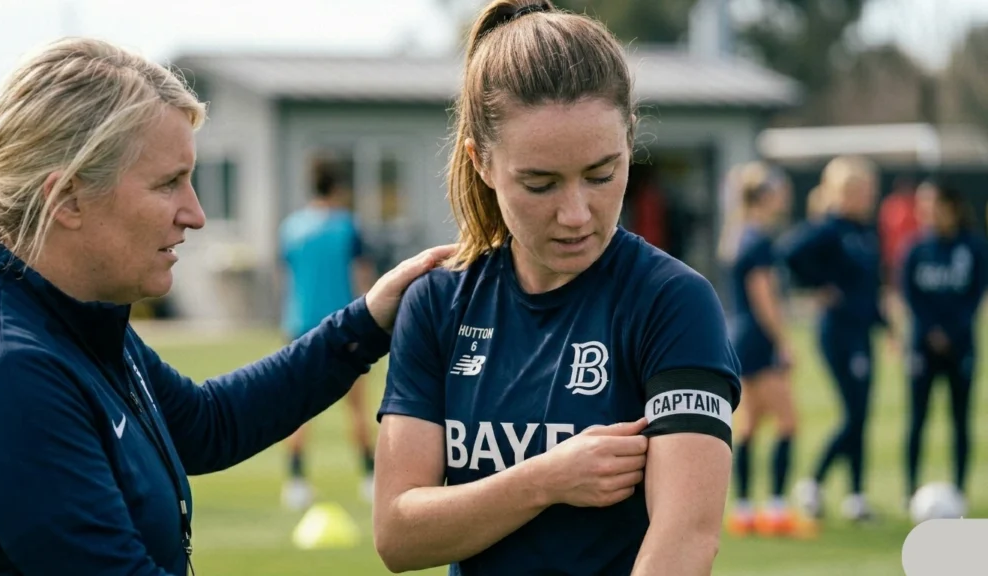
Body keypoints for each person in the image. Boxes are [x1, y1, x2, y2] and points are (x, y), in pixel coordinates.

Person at [0, 37, 453, 576]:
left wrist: (368, 319)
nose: (195, 214)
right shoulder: (10, 368)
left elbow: (207, 424)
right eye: (168, 184)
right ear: (69, 198)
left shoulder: (72, 317)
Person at [371, 2, 742, 575]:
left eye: (601, 175)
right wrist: (543, 479)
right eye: (540, 184)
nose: (576, 214)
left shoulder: (671, 302)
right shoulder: (439, 302)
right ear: (482, 162)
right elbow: (398, 535)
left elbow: (685, 539)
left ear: (630, 140)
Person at [781, 155, 888, 522]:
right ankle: (812, 483)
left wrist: (886, 326)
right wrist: (819, 286)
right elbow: (789, 253)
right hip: (838, 332)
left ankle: (856, 496)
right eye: (862, 190)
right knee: (854, 414)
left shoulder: (866, 231)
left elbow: (869, 287)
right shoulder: (828, 228)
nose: (869, 196)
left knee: (862, 414)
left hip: (862, 331)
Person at [277, 165, 378, 510]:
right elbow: (363, 278)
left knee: (298, 409)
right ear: (337, 188)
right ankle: (369, 477)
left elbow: (287, 278)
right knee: (358, 408)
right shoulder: (348, 226)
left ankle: (295, 482)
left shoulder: (291, 228)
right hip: (342, 327)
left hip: (299, 326)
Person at [717, 162, 800, 537]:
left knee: (749, 424)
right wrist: (783, 342)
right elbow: (763, 297)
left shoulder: (738, 235)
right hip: (757, 338)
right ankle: (777, 508)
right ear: (764, 196)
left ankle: (745, 508)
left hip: (740, 336)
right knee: (787, 422)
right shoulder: (759, 240)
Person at [900, 181, 987, 506]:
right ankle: (910, 490)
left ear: (952, 207)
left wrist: (952, 330)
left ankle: (960, 489)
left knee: (960, 419)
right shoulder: (914, 248)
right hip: (922, 345)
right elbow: (909, 296)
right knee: (917, 417)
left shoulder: (974, 247)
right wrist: (931, 330)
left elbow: (975, 294)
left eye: (934, 204)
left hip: (961, 345)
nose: (928, 212)